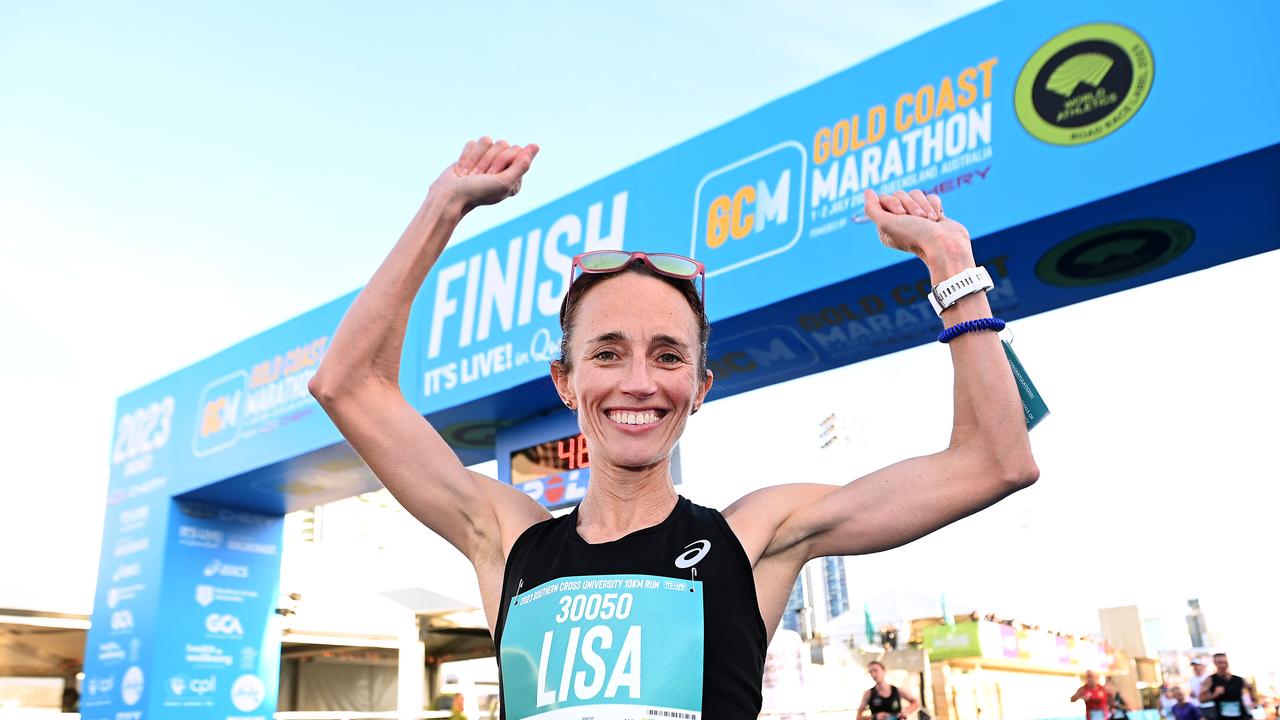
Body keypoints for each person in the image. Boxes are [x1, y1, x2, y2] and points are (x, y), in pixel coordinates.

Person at [308, 136, 1039, 717]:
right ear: (565, 382)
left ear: (698, 389)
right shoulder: (507, 539)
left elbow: (993, 463)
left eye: (668, 357)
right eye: (607, 352)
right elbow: (345, 384)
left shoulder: (758, 535)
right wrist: (443, 206)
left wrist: (950, 261)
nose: (638, 382)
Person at [857, 660, 921, 720]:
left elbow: (916, 702)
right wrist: (875, 716)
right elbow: (858, 717)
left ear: (884, 671)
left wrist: (906, 712)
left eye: (875, 670)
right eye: (870, 672)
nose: (873, 674)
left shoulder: (897, 690)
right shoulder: (868, 693)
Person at [1201, 653, 1252, 720]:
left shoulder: (1238, 679)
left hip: (1241, 716)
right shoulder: (1210, 680)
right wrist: (1214, 694)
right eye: (1219, 662)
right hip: (1221, 717)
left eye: (1224, 662)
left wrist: (1251, 700)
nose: (1222, 665)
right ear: (1215, 663)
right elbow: (1201, 699)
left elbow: (1251, 692)